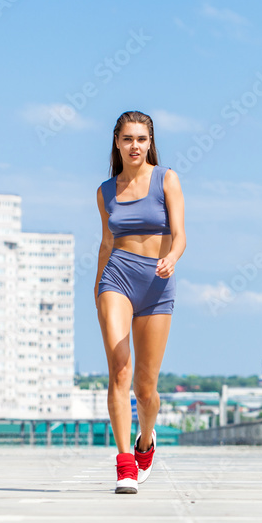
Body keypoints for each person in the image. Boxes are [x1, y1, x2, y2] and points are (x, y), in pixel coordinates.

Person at [95, 110, 185, 494]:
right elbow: (106, 242)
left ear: (150, 143)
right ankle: (124, 463)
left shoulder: (167, 179)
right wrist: (98, 285)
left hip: (157, 282)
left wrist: (171, 258)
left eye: (142, 139)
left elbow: (180, 235)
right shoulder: (105, 191)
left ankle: (145, 442)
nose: (135, 146)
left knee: (145, 387)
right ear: (117, 142)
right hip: (116, 277)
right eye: (128, 139)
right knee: (119, 369)